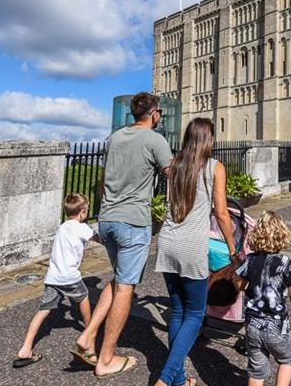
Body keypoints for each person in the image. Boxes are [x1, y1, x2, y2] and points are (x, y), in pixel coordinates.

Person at [76, 92, 174, 380]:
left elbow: (105, 178)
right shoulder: (155, 140)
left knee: (118, 279)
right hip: (132, 222)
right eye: (159, 115)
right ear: (154, 113)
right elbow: (172, 174)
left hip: (106, 220)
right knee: (127, 287)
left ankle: (88, 335)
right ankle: (105, 358)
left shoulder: (115, 138)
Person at [154, 118, 238, 386]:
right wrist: (232, 247)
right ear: (209, 139)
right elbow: (222, 213)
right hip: (191, 246)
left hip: (167, 242)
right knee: (194, 314)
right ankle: (165, 380)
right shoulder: (215, 167)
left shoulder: (175, 165)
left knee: (178, 312)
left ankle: (178, 381)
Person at [13, 194, 98, 369]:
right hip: (70, 276)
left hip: (53, 276)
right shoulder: (82, 228)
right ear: (83, 212)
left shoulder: (62, 227)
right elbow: (99, 238)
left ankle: (26, 348)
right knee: (83, 298)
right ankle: (89, 333)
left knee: (43, 310)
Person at [235, 211, 291, 386]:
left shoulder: (249, 261)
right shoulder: (286, 263)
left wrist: (248, 284)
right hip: (277, 327)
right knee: (286, 360)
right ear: (282, 235)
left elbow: (237, 283)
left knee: (257, 370)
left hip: (252, 324)